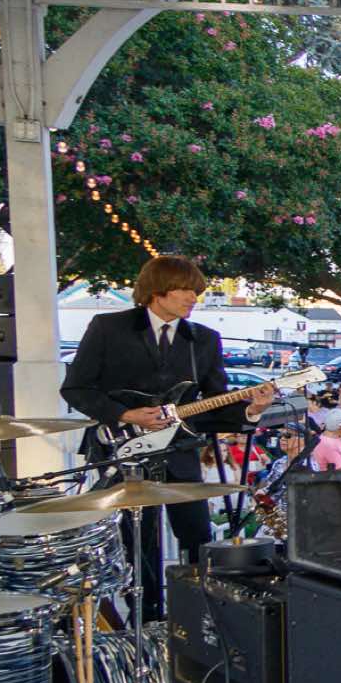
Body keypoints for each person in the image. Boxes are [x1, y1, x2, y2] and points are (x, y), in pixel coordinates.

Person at [60, 254, 278, 618]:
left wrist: (251, 410)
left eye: (197, 291)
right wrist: (125, 414)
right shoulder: (108, 327)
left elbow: (215, 403)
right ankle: (145, 619)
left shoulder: (202, 340)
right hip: (122, 450)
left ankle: (196, 618)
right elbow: (76, 388)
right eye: (185, 289)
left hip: (179, 451)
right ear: (157, 290)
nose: (194, 298)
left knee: (197, 537)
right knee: (137, 543)